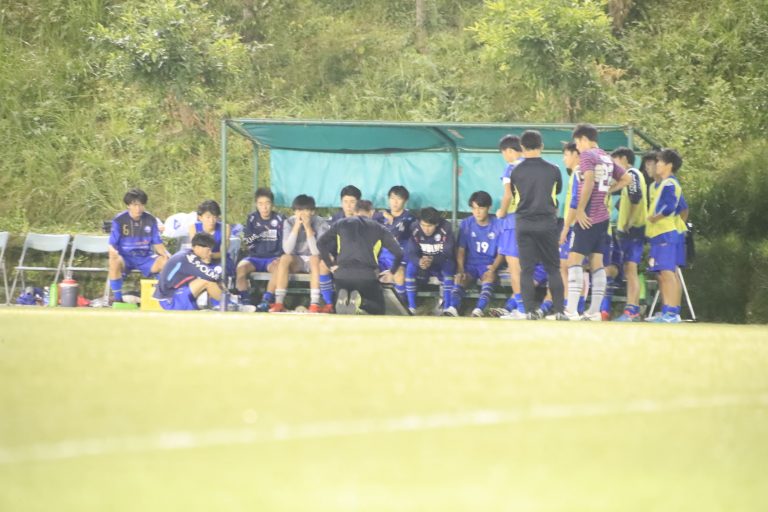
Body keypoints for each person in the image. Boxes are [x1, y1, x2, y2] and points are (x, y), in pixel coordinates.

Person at [560, 123, 631, 320]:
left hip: (588, 217)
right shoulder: (606, 157)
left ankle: (571, 311)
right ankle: (594, 312)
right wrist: (608, 190)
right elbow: (626, 179)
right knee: (597, 263)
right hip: (603, 218)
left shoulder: (587, 156)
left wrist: (581, 209)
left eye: (577, 142)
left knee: (574, 260)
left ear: (584, 139)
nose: (577, 147)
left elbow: (589, 181)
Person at [504, 130, 567, 320]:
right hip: (547, 223)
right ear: (542, 146)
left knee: (527, 269)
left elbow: (514, 194)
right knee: (553, 268)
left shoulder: (515, 171)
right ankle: (559, 311)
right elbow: (557, 191)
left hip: (523, 223)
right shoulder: (553, 169)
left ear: (522, 147)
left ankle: (529, 311)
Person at [317, 200, 403, 315]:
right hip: (367, 276)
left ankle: (340, 300)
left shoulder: (340, 224)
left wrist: (330, 265)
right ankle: (361, 302)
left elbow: (320, 243)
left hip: (342, 276)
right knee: (379, 309)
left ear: (355, 211)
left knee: (343, 305)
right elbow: (399, 253)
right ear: (371, 212)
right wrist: (392, 272)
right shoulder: (379, 228)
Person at [445, 191, 504, 317]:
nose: (477, 212)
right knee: (460, 278)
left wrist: (493, 267)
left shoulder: (498, 224)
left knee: (489, 277)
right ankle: (453, 308)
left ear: (488, 208)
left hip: (488, 264)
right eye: (474, 208)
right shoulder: (466, 223)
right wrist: (461, 268)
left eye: (481, 208)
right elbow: (461, 249)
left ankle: (479, 310)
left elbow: (501, 252)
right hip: (470, 265)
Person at [270, 194, 331, 313]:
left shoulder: (320, 223)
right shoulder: (289, 222)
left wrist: (308, 228)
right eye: (298, 210)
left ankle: (314, 304)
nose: (301, 214)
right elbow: (287, 250)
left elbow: (316, 251)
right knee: (284, 258)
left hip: (314, 260)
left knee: (314, 258)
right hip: (297, 260)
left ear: (312, 211)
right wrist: (296, 227)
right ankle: (279, 302)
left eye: (305, 210)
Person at [646, 149, 688, 323]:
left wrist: (655, 218)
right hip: (659, 234)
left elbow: (671, 207)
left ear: (669, 165)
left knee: (668, 272)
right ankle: (668, 311)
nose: (657, 165)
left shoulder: (670, 183)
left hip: (666, 233)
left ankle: (672, 312)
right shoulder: (663, 183)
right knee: (663, 273)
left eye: (660, 162)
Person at [108, 188, 170, 302]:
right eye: (135, 205)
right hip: (125, 258)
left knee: (166, 262)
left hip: (145, 257)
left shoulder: (151, 220)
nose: (138, 208)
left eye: (141, 205)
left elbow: (158, 243)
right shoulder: (119, 220)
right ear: (128, 205)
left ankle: (161, 297)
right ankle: (117, 299)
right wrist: (113, 252)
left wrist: (167, 255)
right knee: (113, 260)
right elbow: (112, 244)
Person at [610, 147, 648, 322]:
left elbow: (636, 197)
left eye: (615, 161)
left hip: (634, 230)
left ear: (624, 159)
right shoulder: (631, 176)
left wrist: (630, 222)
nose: (614, 165)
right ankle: (631, 309)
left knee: (631, 270)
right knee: (628, 269)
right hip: (632, 230)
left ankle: (632, 310)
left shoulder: (632, 173)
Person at [493, 135, 526, 317]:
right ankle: (526, 307)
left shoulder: (511, 167)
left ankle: (522, 309)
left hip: (514, 221)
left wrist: (502, 212)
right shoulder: (535, 166)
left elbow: (508, 195)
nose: (504, 157)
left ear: (509, 151)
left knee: (514, 267)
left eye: (503, 153)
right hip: (534, 220)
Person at [236, 188, 284, 311]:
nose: (264, 207)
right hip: (254, 258)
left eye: (267, 203)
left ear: (272, 204)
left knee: (279, 268)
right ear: (256, 205)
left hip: (272, 258)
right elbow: (247, 241)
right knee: (241, 268)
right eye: (260, 204)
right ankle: (245, 300)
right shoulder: (252, 218)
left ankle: (266, 300)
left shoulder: (280, 219)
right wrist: (258, 236)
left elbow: (284, 242)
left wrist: (280, 256)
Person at [154, 232, 224, 311]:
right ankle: (227, 305)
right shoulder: (188, 258)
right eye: (208, 250)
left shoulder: (187, 254)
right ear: (197, 247)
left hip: (173, 294)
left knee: (206, 281)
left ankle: (216, 306)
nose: (210, 253)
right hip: (170, 300)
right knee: (207, 282)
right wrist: (223, 285)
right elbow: (213, 276)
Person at [405, 207, 456, 315]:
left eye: (429, 226)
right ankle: (412, 307)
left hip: (441, 261)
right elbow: (411, 252)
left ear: (436, 224)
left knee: (449, 267)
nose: (426, 229)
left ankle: (447, 308)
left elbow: (448, 253)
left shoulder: (446, 227)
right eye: (423, 225)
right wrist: (419, 261)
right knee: (410, 267)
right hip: (424, 263)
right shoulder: (414, 227)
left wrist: (433, 259)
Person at [372, 185, 416, 303]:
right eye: (392, 198)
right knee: (365, 272)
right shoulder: (381, 216)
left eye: (398, 199)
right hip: (381, 258)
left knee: (399, 274)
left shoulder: (409, 218)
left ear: (405, 201)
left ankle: (402, 305)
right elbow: (363, 216)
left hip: (400, 259)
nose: (395, 202)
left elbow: (402, 235)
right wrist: (382, 214)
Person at [188, 199, 233, 270]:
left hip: (220, 261)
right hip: (200, 260)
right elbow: (195, 249)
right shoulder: (193, 228)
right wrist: (204, 257)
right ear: (200, 218)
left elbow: (223, 252)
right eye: (208, 217)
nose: (211, 221)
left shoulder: (225, 228)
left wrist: (208, 255)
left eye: (215, 217)